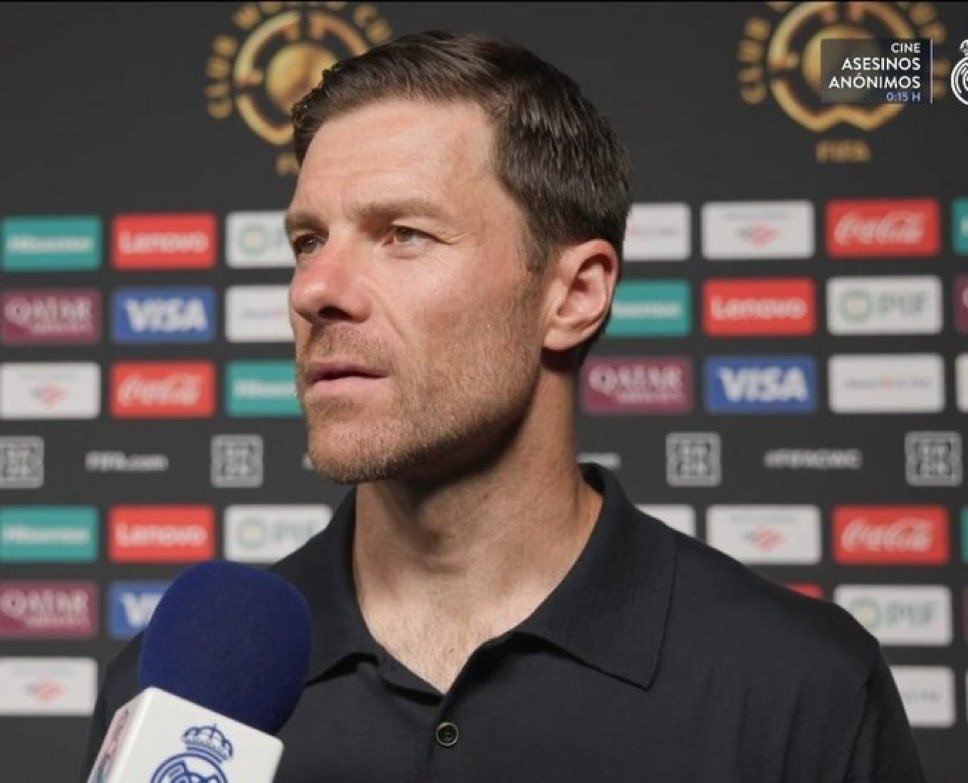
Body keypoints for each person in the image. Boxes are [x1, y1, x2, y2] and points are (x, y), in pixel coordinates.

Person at [83, 30, 924, 782]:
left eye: (404, 234)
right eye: (309, 241)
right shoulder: (182, 702)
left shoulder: (802, 687)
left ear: (574, 295)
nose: (315, 289)